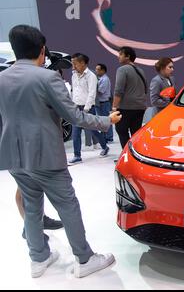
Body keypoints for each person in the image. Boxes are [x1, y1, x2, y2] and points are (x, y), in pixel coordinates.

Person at [0, 25, 122, 278]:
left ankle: (38, 258)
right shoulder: (47, 78)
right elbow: (74, 116)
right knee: (67, 205)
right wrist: (106, 121)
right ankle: (85, 259)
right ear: (42, 50)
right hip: (45, 155)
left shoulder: (2, 78)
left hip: (14, 155)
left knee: (32, 207)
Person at [69, 53, 110, 165]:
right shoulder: (73, 75)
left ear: (82, 63)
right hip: (76, 106)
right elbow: (74, 91)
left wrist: (86, 109)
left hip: (87, 107)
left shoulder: (91, 76)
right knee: (76, 131)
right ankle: (77, 155)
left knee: (93, 130)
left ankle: (105, 147)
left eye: (75, 62)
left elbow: (92, 93)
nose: (73, 65)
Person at [112, 47, 148, 149]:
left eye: (120, 54)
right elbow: (145, 89)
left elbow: (118, 90)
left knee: (121, 131)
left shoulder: (122, 69)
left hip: (125, 107)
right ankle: (136, 155)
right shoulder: (141, 70)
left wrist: (114, 107)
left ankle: (127, 156)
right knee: (135, 134)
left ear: (127, 56)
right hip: (140, 107)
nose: (118, 56)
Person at [95, 63, 114, 143]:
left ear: (103, 70)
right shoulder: (100, 79)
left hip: (104, 103)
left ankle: (109, 137)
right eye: (96, 69)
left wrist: (93, 87)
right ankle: (105, 136)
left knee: (107, 120)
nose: (96, 71)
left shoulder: (105, 79)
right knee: (102, 121)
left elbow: (100, 91)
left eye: (98, 69)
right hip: (100, 103)